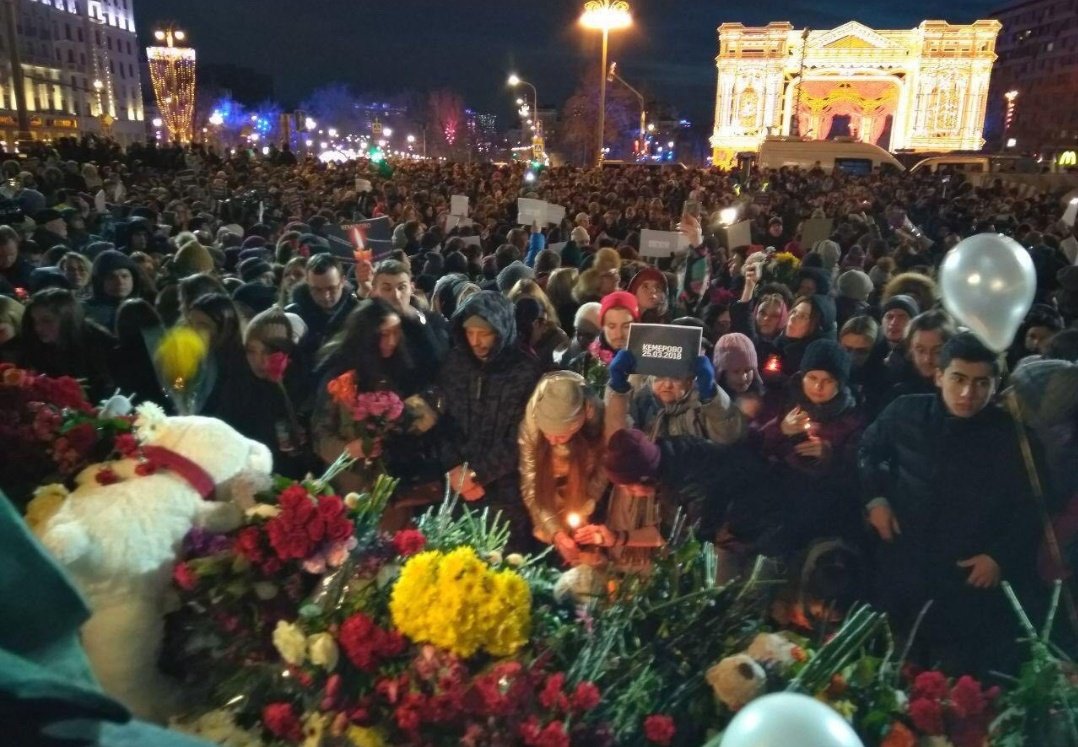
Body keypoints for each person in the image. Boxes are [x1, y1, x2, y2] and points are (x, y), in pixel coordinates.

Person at [858, 332, 1042, 674]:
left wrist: (999, 556)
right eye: (958, 379)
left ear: (995, 384)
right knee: (889, 666)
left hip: (966, 578)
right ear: (940, 375)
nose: (968, 394)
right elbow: (868, 451)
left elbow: (1031, 506)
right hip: (904, 560)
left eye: (981, 383)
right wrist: (876, 499)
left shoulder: (1012, 437)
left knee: (952, 682)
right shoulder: (905, 412)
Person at [576, 428, 776, 570]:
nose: (629, 493)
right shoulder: (671, 452)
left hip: (764, 523)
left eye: (629, 486)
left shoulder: (689, 486)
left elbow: (673, 535)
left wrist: (617, 538)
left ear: (645, 477)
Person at [435, 291, 544, 547]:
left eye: (484, 333)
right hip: (457, 487)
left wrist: (478, 474)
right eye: (470, 333)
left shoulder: (525, 371)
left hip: (505, 494)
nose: (476, 341)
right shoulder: (454, 365)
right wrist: (453, 467)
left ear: (502, 329)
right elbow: (442, 421)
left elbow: (524, 434)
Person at [761, 340, 865, 553]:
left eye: (828, 380)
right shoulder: (785, 401)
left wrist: (830, 456)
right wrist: (781, 430)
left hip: (825, 506)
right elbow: (758, 447)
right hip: (779, 496)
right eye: (813, 378)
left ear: (840, 383)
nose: (818, 387)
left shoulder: (852, 418)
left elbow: (858, 470)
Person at [518, 371, 607, 564]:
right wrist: (556, 534)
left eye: (559, 436)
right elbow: (531, 486)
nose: (551, 440)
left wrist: (587, 502)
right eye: (547, 433)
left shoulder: (596, 422)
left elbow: (603, 467)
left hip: (583, 493)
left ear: (577, 426)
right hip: (548, 501)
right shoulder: (532, 429)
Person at [604, 347, 744, 444]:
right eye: (659, 376)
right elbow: (616, 438)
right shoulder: (639, 402)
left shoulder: (701, 406)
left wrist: (712, 397)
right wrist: (618, 389)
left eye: (676, 378)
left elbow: (728, 436)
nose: (667, 385)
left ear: (689, 380)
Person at [21, 288, 115, 402]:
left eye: (47, 320)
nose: (38, 328)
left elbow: (109, 391)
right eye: (34, 321)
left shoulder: (99, 343)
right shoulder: (37, 346)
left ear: (67, 319)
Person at [368, 258, 448, 386]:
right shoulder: (367, 324)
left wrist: (419, 322)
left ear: (411, 288)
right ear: (375, 291)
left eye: (402, 287)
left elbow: (440, 364)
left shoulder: (432, 320)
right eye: (387, 289)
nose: (396, 295)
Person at [286, 253, 358, 361]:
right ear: (307, 283)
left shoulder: (356, 311)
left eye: (331, 288)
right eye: (317, 290)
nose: (325, 296)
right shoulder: (295, 315)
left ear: (342, 281)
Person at [83, 250, 144, 333]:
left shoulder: (143, 309)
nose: (120, 282)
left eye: (124, 276)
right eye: (111, 277)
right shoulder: (84, 311)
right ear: (99, 282)